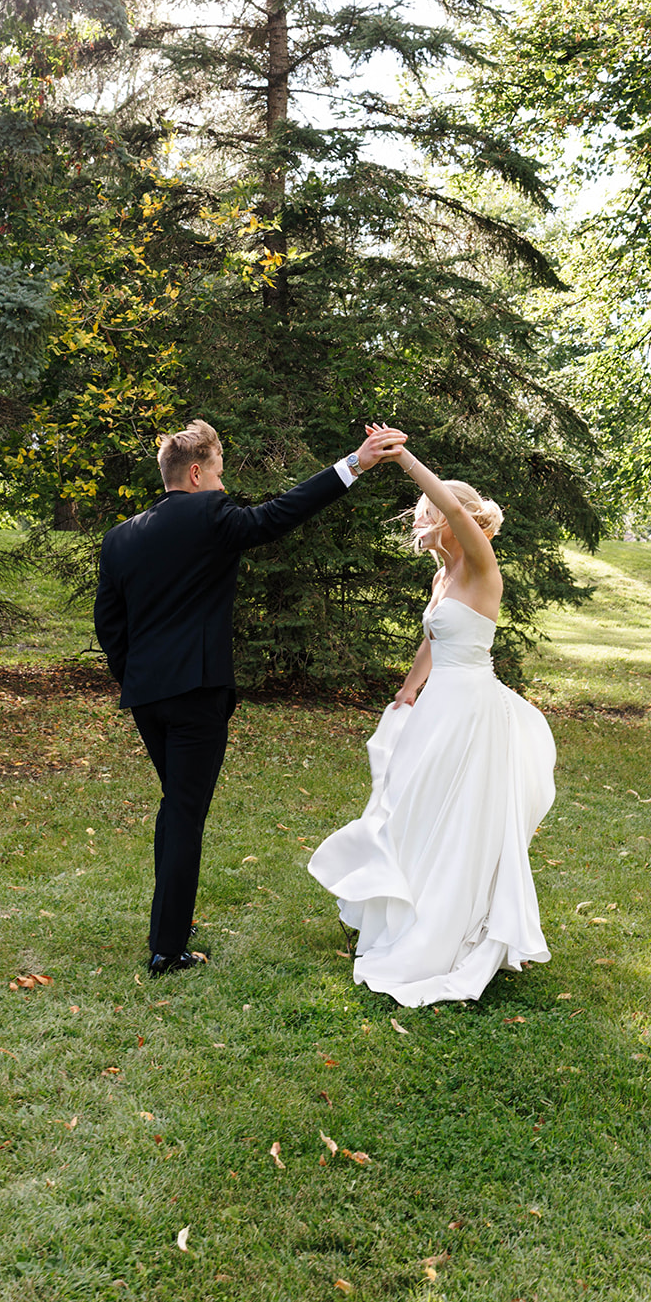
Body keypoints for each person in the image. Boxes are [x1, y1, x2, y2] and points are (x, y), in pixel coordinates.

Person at [94, 417, 407, 976]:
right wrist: (355, 463)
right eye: (218, 473)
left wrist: (135, 679)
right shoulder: (211, 515)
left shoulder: (121, 536)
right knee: (185, 812)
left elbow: (109, 626)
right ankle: (167, 948)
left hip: (147, 696)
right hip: (197, 695)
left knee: (176, 806)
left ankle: (172, 918)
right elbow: (281, 514)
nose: (223, 485)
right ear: (195, 473)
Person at [308, 441, 556, 1006]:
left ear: (447, 518)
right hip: (438, 702)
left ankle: (450, 930)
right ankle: (403, 913)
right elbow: (433, 638)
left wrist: (405, 461)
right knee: (410, 803)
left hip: (471, 711)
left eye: (425, 513)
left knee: (457, 817)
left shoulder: (478, 565)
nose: (417, 522)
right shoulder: (443, 577)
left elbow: (451, 504)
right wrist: (408, 689)